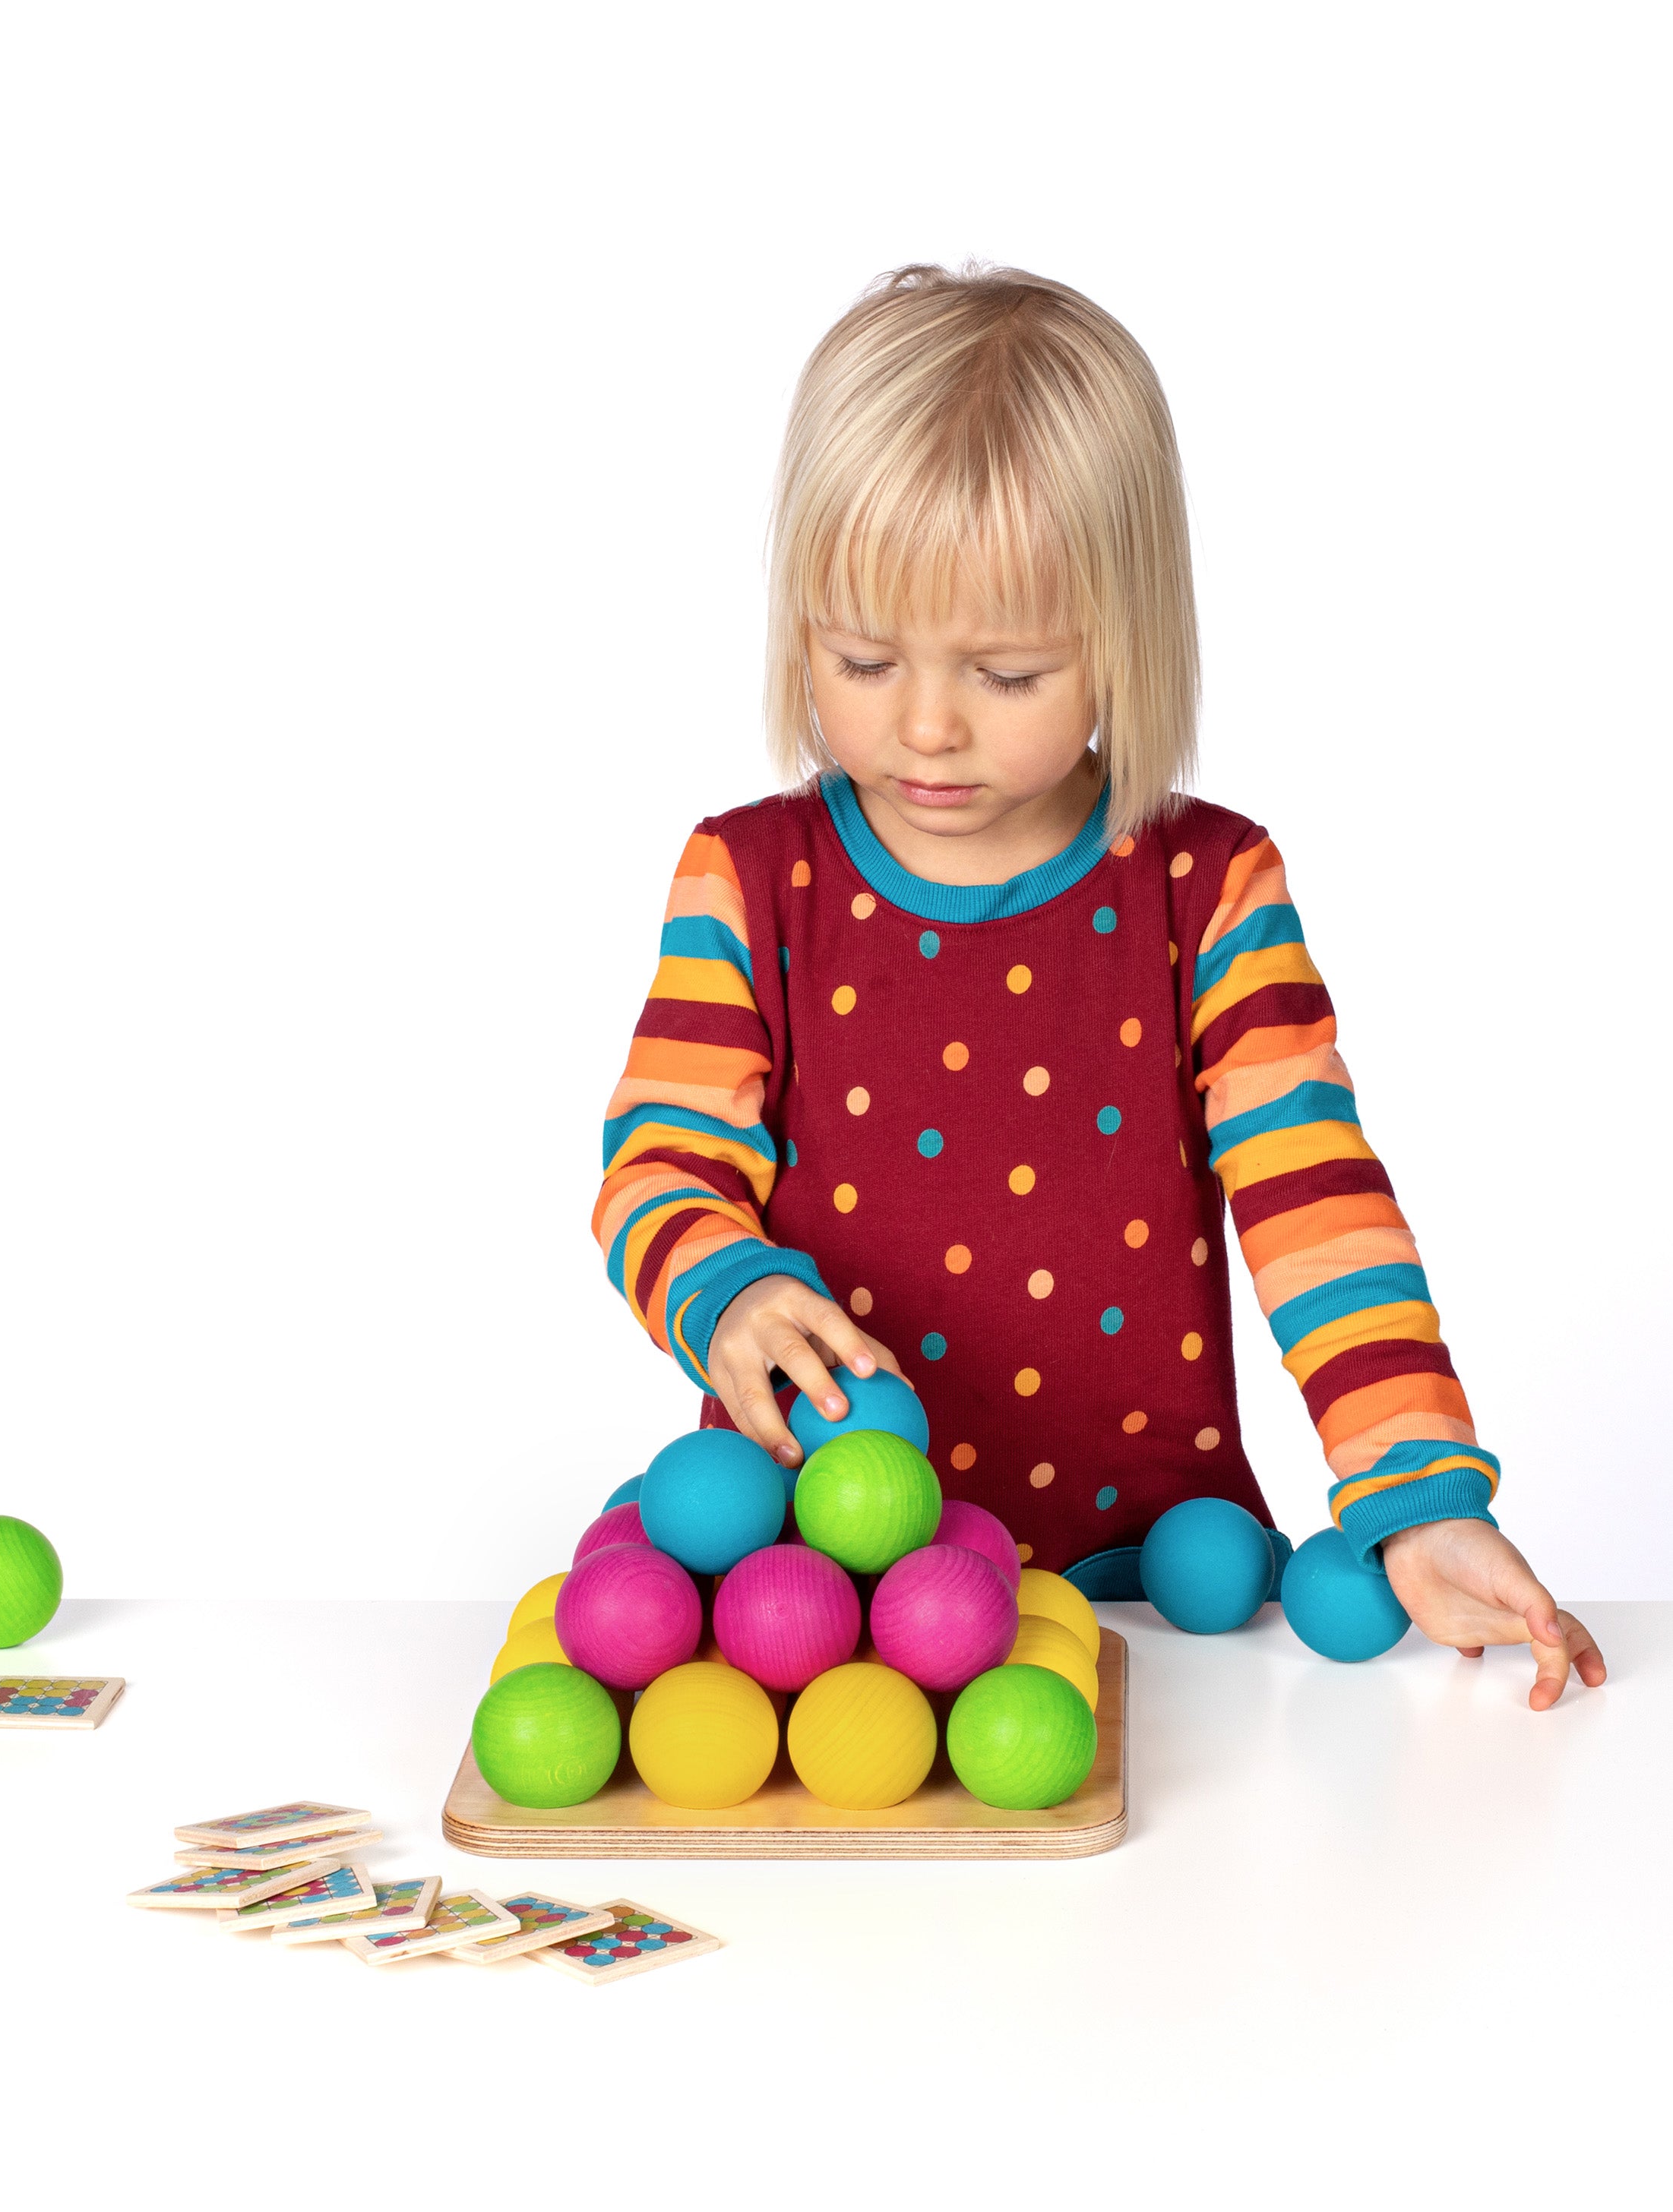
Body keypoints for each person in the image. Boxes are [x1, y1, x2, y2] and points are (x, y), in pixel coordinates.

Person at [595, 264, 1603, 1710]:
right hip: (833, 1604)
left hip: (1156, 1591)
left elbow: (1313, 1196)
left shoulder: (1207, 888)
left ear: (1124, 640)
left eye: (1006, 672)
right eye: (862, 657)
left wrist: (1418, 1488)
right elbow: (656, 1164)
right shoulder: (751, 880)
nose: (927, 725)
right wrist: (721, 1287)